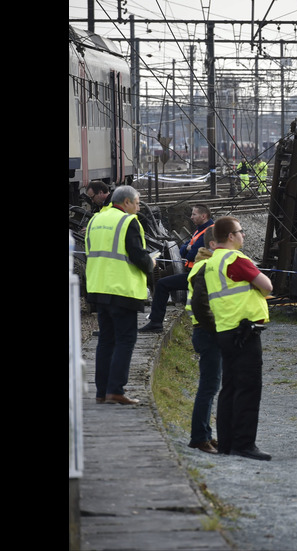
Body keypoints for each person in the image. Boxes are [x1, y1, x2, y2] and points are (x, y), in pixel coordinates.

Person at [205, 216, 274, 461]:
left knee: (230, 388)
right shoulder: (235, 259)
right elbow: (267, 286)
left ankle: (226, 443)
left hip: (225, 329)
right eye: (240, 231)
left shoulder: (213, 262)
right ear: (231, 236)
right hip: (245, 331)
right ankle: (244, 444)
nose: (243, 235)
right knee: (248, 388)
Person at [84, 185, 155, 405]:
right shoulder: (128, 222)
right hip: (122, 289)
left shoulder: (95, 220)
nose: (139, 206)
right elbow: (136, 254)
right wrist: (150, 263)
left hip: (98, 288)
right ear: (126, 202)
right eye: (137, 202)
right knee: (125, 340)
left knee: (105, 340)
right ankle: (116, 390)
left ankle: (101, 392)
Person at [141, 205, 214, 333]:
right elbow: (182, 251)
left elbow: (191, 254)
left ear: (203, 216)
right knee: (163, 284)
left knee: (162, 284)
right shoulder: (200, 231)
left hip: (201, 275)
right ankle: (155, 321)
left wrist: (188, 249)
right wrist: (188, 248)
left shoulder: (209, 232)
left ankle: (156, 322)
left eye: (194, 214)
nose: (191, 217)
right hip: (195, 273)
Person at [184, 230, 223, 454]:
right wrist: (215, 328)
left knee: (210, 386)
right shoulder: (206, 266)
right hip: (207, 331)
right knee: (208, 387)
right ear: (212, 245)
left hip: (204, 330)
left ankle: (205, 433)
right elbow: (200, 303)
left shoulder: (203, 263)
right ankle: (199, 437)